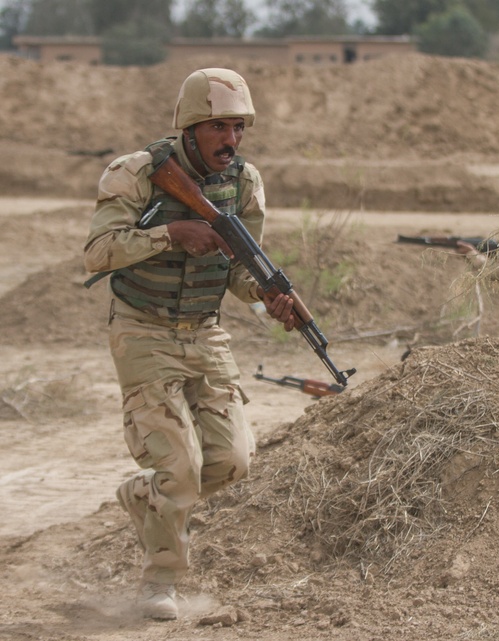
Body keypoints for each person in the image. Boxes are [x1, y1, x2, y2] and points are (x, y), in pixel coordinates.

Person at [83, 68, 295, 621]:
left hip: (204, 329)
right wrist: (171, 234)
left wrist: (266, 297)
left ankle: (143, 495)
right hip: (143, 330)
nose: (232, 139)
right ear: (191, 126)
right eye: (219, 126)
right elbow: (97, 254)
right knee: (180, 468)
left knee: (231, 461)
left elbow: (241, 271)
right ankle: (160, 584)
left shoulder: (245, 183)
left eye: (239, 127)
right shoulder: (136, 173)